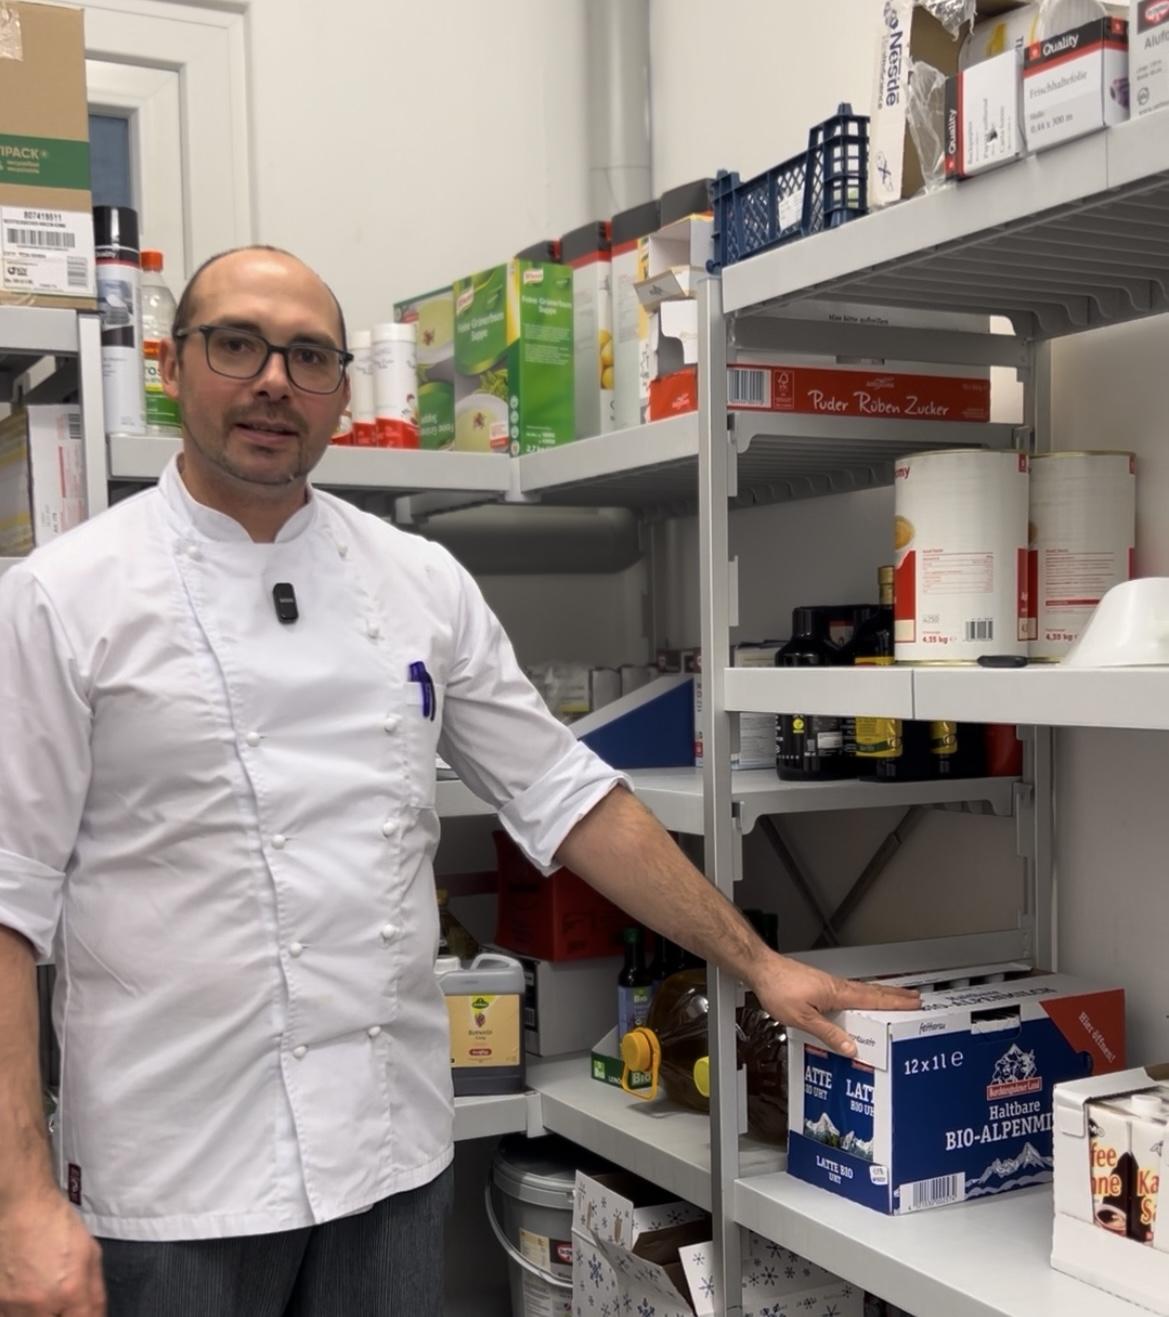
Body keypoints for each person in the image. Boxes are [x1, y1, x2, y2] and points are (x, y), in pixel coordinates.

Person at [0, 246, 917, 1317]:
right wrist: (18, 1196)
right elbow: (8, 901)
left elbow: (566, 794)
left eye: (308, 357)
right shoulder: (63, 598)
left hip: (386, 1149)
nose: (274, 382)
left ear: (341, 390)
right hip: (172, 1174)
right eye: (236, 345)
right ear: (171, 364)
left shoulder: (417, 580)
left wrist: (755, 962)